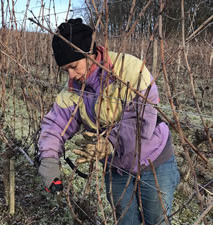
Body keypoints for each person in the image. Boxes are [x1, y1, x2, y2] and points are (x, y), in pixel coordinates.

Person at [38, 18, 180, 225]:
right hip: (116, 168)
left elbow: (141, 120)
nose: (71, 75)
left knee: (157, 220)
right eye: (65, 70)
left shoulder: (129, 69)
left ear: (90, 53)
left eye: (74, 66)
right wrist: (49, 159)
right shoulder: (72, 90)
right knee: (125, 221)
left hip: (154, 161)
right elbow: (55, 125)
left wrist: (110, 141)